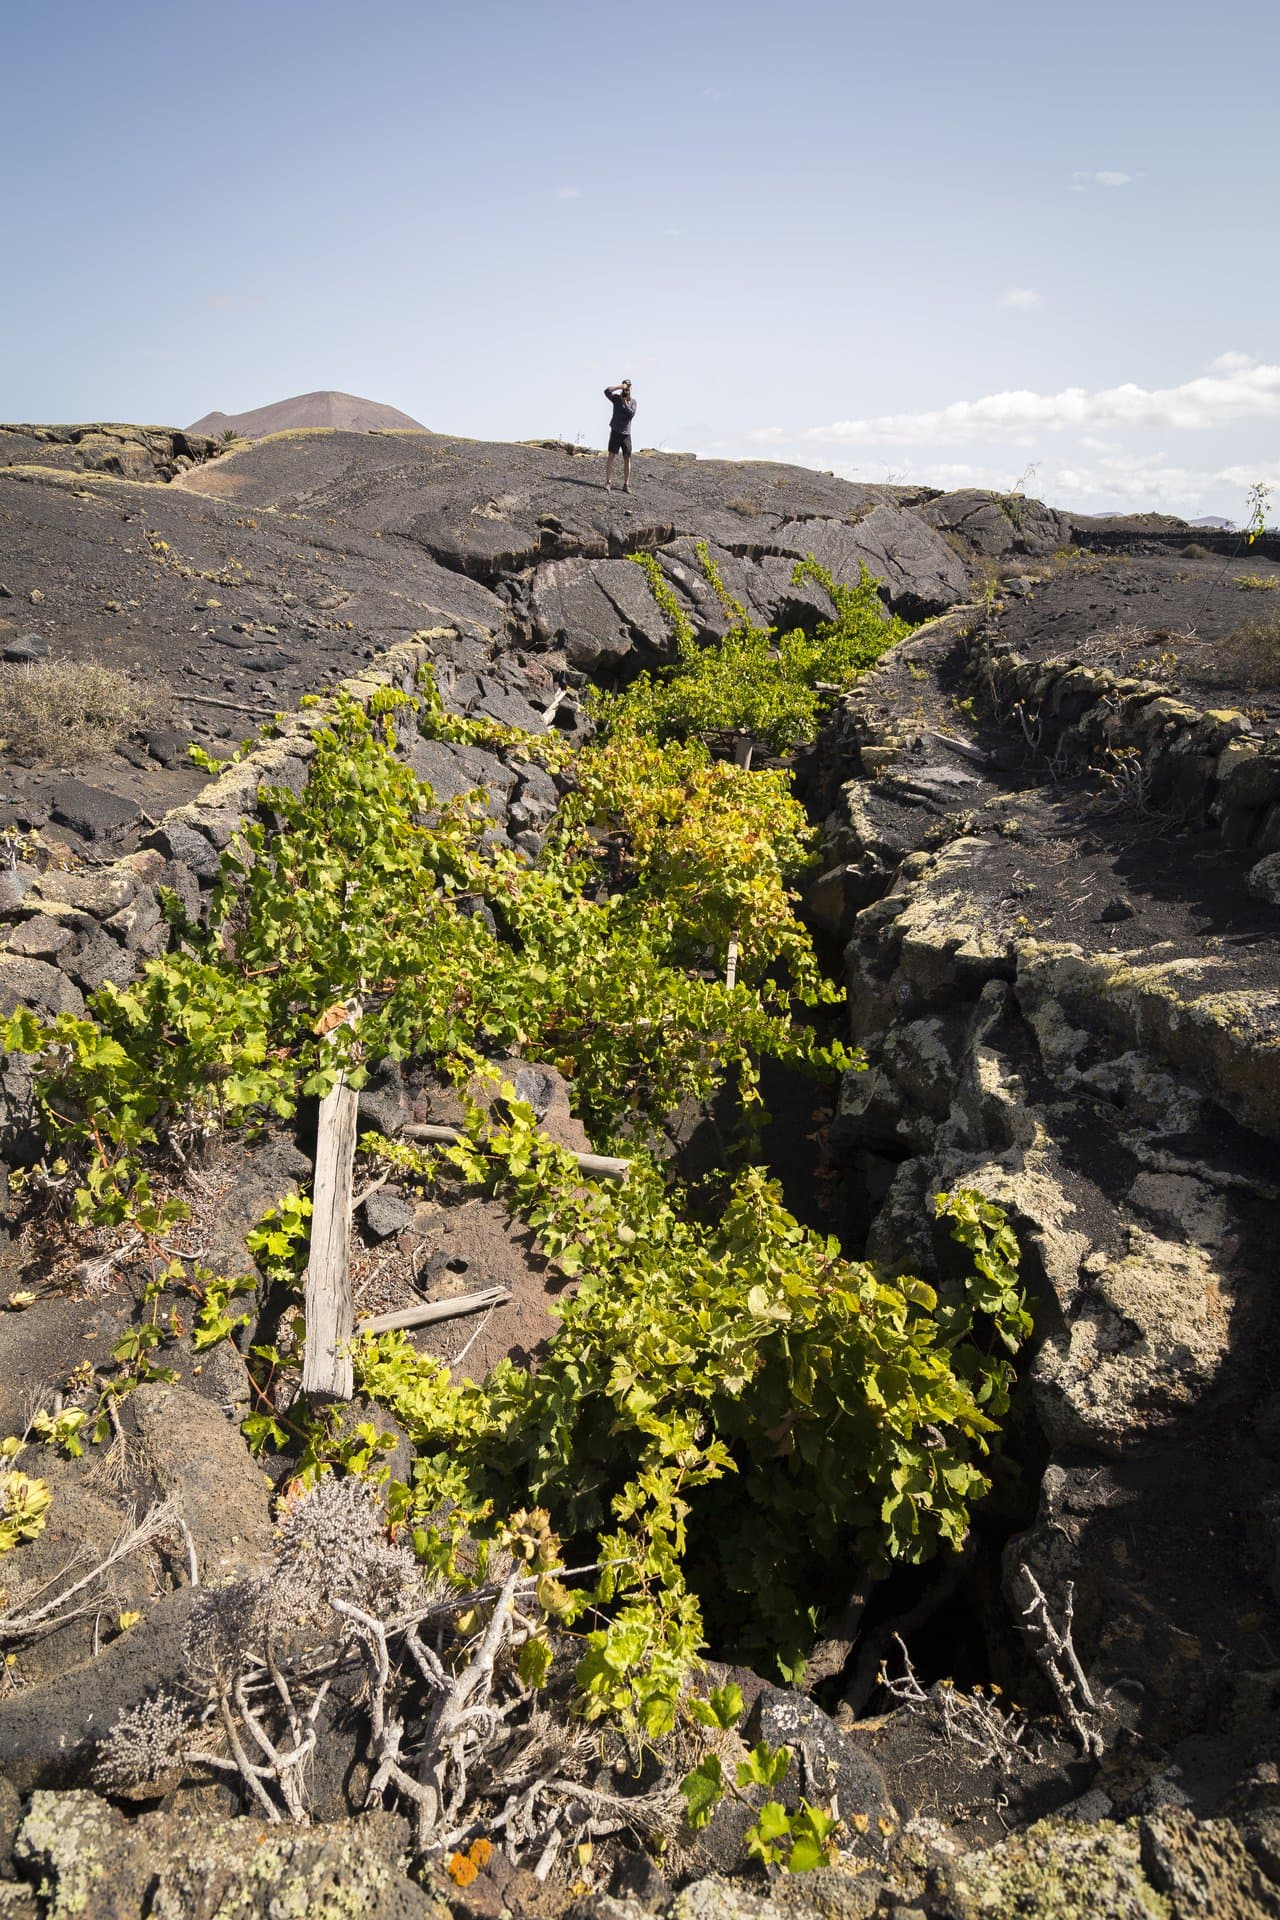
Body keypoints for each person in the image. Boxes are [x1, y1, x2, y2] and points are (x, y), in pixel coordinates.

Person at [604, 380, 636, 492]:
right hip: (615, 431)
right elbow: (606, 391)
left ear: (631, 389)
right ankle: (608, 482)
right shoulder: (616, 399)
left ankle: (626, 484)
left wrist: (625, 403)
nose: (626, 390)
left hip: (626, 434)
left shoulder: (633, 402)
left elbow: (631, 414)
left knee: (627, 459)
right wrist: (619, 386)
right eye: (625, 388)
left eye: (628, 388)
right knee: (611, 456)